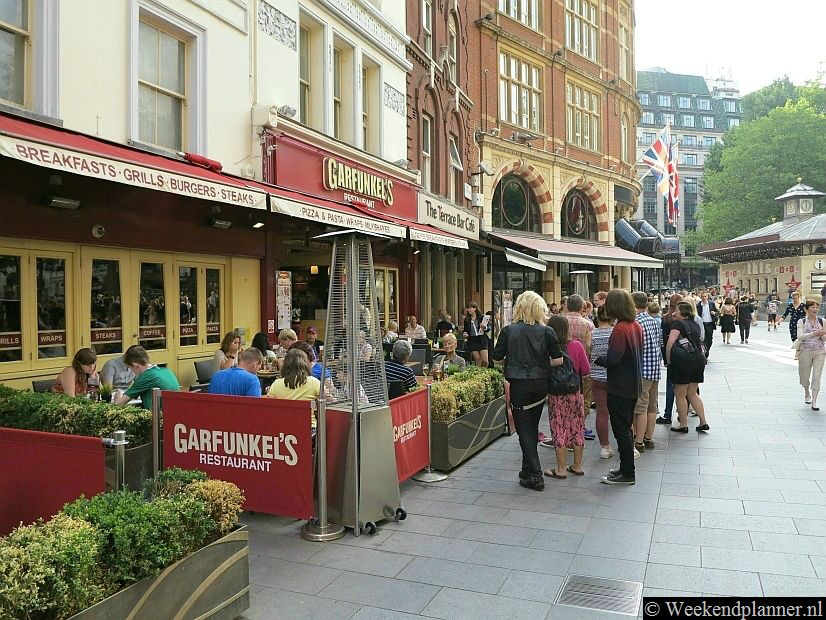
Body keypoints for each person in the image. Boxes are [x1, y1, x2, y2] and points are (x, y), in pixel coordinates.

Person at [492, 291, 564, 491]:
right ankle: (526, 471)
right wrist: (540, 363)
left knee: (523, 430)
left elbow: (496, 358)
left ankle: (536, 474)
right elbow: (558, 360)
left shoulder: (509, 331)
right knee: (531, 427)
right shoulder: (547, 331)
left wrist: (513, 363)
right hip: (541, 385)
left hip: (519, 385)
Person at [593, 289, 642, 485]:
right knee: (626, 429)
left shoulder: (620, 329)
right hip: (632, 384)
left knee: (621, 430)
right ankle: (625, 468)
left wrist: (599, 359)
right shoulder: (635, 325)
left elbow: (614, 359)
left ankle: (627, 473)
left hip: (620, 386)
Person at [544, 315, 590, 479]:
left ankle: (561, 469)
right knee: (577, 427)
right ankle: (577, 466)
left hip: (556, 395)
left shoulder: (548, 348)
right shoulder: (576, 345)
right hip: (574, 393)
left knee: (559, 429)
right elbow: (585, 370)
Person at [665, 301, 709, 433]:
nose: (674, 312)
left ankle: (683, 424)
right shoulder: (694, 323)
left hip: (683, 362)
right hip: (698, 360)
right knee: (693, 393)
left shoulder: (678, 324)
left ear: (682, 312)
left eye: (677, 310)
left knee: (680, 393)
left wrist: (668, 360)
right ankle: (703, 421)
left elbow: (670, 343)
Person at [632, 291, 662, 456]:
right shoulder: (653, 321)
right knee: (652, 405)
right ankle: (649, 438)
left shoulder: (635, 322)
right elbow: (659, 343)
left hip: (642, 370)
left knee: (640, 407)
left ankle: (639, 441)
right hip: (655, 369)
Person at [562, 294, 595, 440]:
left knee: (562, 400)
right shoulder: (588, 324)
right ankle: (579, 427)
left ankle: (564, 428)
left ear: (566, 306)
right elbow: (591, 348)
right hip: (583, 369)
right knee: (584, 399)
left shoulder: (558, 322)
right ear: (582, 308)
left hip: (560, 369)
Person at [114, 346, 180, 409]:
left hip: (159, 417)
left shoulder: (146, 376)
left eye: (131, 369)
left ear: (136, 365)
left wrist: (118, 396)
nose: (132, 372)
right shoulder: (167, 371)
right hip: (175, 413)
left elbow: (118, 404)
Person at [590, 305, 614, 459]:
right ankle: (628, 444)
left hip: (597, 377)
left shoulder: (591, 334)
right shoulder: (615, 332)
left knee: (602, 413)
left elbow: (588, 354)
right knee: (619, 412)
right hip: (614, 377)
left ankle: (605, 447)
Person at [656, 294, 683, 426]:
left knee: (670, 386)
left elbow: (662, 341)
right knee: (683, 387)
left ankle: (667, 414)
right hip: (684, 356)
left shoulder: (665, 319)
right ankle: (681, 414)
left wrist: (665, 358)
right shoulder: (687, 319)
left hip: (671, 355)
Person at [796, 299, 826, 410]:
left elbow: (825, 337)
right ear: (807, 309)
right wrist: (814, 333)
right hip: (805, 351)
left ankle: (814, 401)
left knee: (817, 376)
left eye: (816, 307)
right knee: (804, 375)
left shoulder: (822, 321)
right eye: (812, 307)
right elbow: (800, 337)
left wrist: (822, 335)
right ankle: (806, 392)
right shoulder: (802, 321)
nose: (815, 309)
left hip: (820, 351)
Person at [463, 301, 490, 367]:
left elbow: (488, 328)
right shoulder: (467, 320)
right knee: (477, 360)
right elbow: (465, 330)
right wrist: (465, 334)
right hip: (472, 340)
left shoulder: (481, 317)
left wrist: (484, 327)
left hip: (482, 340)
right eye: (468, 308)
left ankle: (484, 372)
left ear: (475, 308)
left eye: (470, 308)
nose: (469, 310)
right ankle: (479, 375)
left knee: (485, 360)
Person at [695, 291, 719, 358]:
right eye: (702, 296)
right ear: (701, 297)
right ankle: (705, 353)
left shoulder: (711, 304)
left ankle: (707, 349)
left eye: (705, 296)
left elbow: (717, 312)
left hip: (710, 324)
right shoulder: (699, 305)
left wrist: (714, 313)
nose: (704, 298)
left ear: (707, 297)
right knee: (703, 339)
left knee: (709, 339)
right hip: (702, 324)